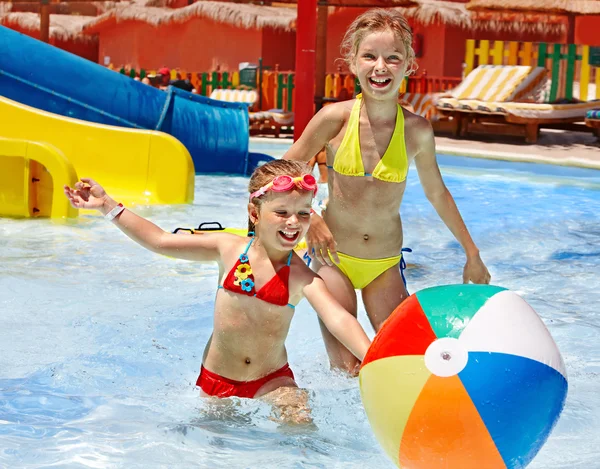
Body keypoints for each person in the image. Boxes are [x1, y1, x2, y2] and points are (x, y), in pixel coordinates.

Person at [63, 160, 371, 423]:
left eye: (303, 214)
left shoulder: (302, 277)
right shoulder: (229, 249)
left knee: (301, 423)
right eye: (282, 212)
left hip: (272, 380)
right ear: (254, 213)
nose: (294, 222)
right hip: (217, 381)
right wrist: (107, 205)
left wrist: (374, 358)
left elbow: (338, 319)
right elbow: (159, 240)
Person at [283, 9, 491, 374]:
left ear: (408, 64)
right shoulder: (335, 118)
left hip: (384, 264)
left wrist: (472, 253)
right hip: (334, 258)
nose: (381, 66)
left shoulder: (417, 130)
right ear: (352, 61)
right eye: (370, 56)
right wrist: (309, 217)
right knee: (349, 368)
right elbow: (283, 173)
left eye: (393, 57)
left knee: (411, 362)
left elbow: (438, 193)